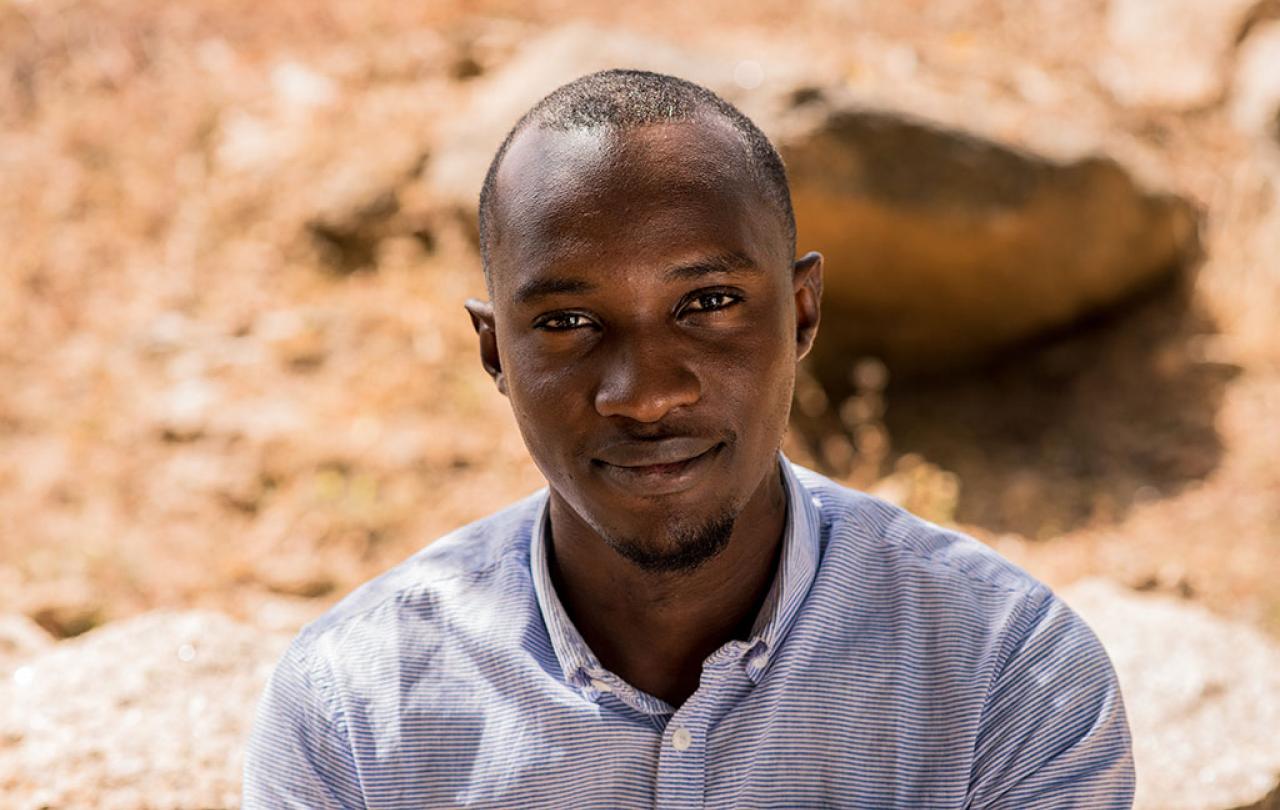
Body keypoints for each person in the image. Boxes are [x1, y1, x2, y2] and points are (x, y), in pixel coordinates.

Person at [244, 69, 1135, 808]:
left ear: (800, 312)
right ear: (494, 353)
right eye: (567, 321)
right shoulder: (354, 711)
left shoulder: (1004, 677)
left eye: (706, 305)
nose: (645, 395)